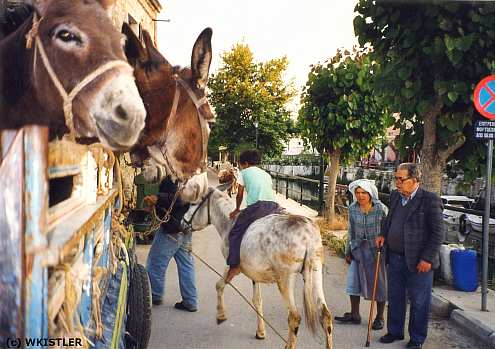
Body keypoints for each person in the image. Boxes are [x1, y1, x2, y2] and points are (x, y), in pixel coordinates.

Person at [376, 163, 444, 349]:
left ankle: (417, 338)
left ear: (414, 181)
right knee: (395, 297)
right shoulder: (396, 196)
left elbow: (438, 234)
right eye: (396, 178)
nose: (397, 182)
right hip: (395, 257)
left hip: (418, 261)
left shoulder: (429, 200)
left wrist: (428, 259)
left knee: (419, 301)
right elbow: (389, 219)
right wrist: (383, 233)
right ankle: (395, 331)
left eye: (401, 179)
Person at [334, 179, 388, 330]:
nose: (360, 196)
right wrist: (348, 250)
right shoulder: (353, 208)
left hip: (376, 250)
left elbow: (387, 230)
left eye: (363, 193)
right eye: (357, 193)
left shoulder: (380, 209)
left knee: (379, 284)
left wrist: (385, 246)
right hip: (358, 249)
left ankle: (379, 317)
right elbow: (351, 230)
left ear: (370, 193)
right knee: (353, 281)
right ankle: (355, 314)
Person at [225, 149, 283, 283]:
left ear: (245, 163)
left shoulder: (243, 172)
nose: (240, 167)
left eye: (240, 164)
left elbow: (239, 194)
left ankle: (234, 266)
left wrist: (237, 209)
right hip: (274, 206)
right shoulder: (266, 174)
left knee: (235, 232)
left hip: (257, 207)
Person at [144, 176, 198, 312]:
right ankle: (190, 300)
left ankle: (154, 295)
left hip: (173, 228)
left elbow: (179, 198)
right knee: (186, 265)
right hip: (186, 226)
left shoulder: (179, 174)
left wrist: (158, 198)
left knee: (155, 261)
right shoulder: (192, 174)